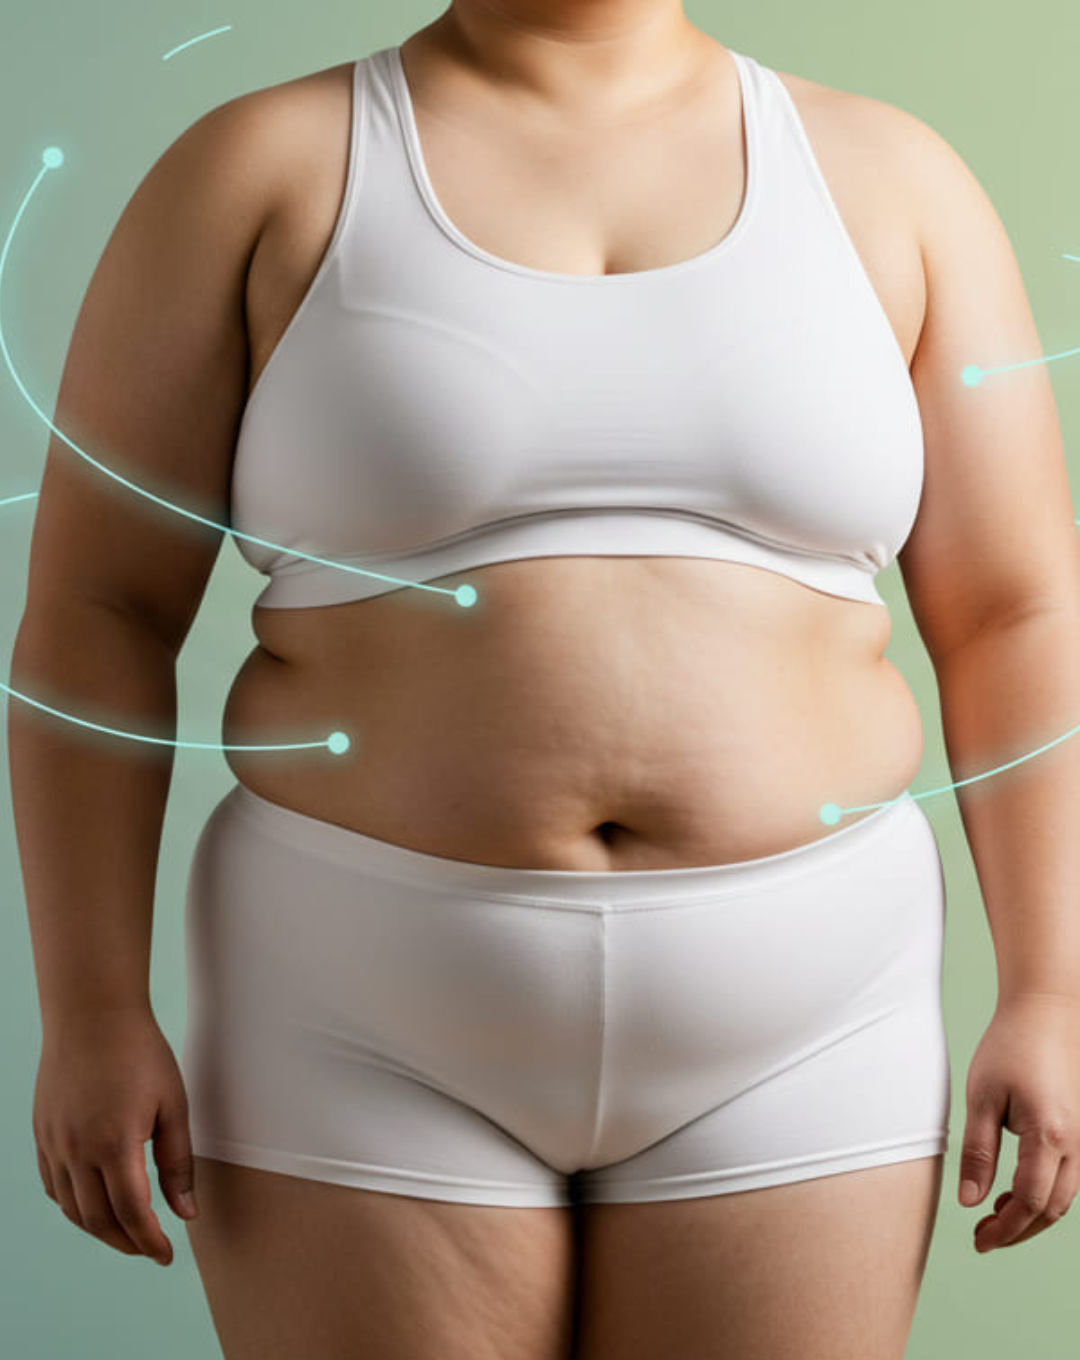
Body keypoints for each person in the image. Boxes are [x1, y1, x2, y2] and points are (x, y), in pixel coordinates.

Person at [13, 1, 1080, 1356]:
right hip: (354, 1005)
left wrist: (1056, 987)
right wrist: (93, 1009)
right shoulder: (257, 169)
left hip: (809, 1012)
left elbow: (1016, 612)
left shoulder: (895, 178)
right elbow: (97, 615)